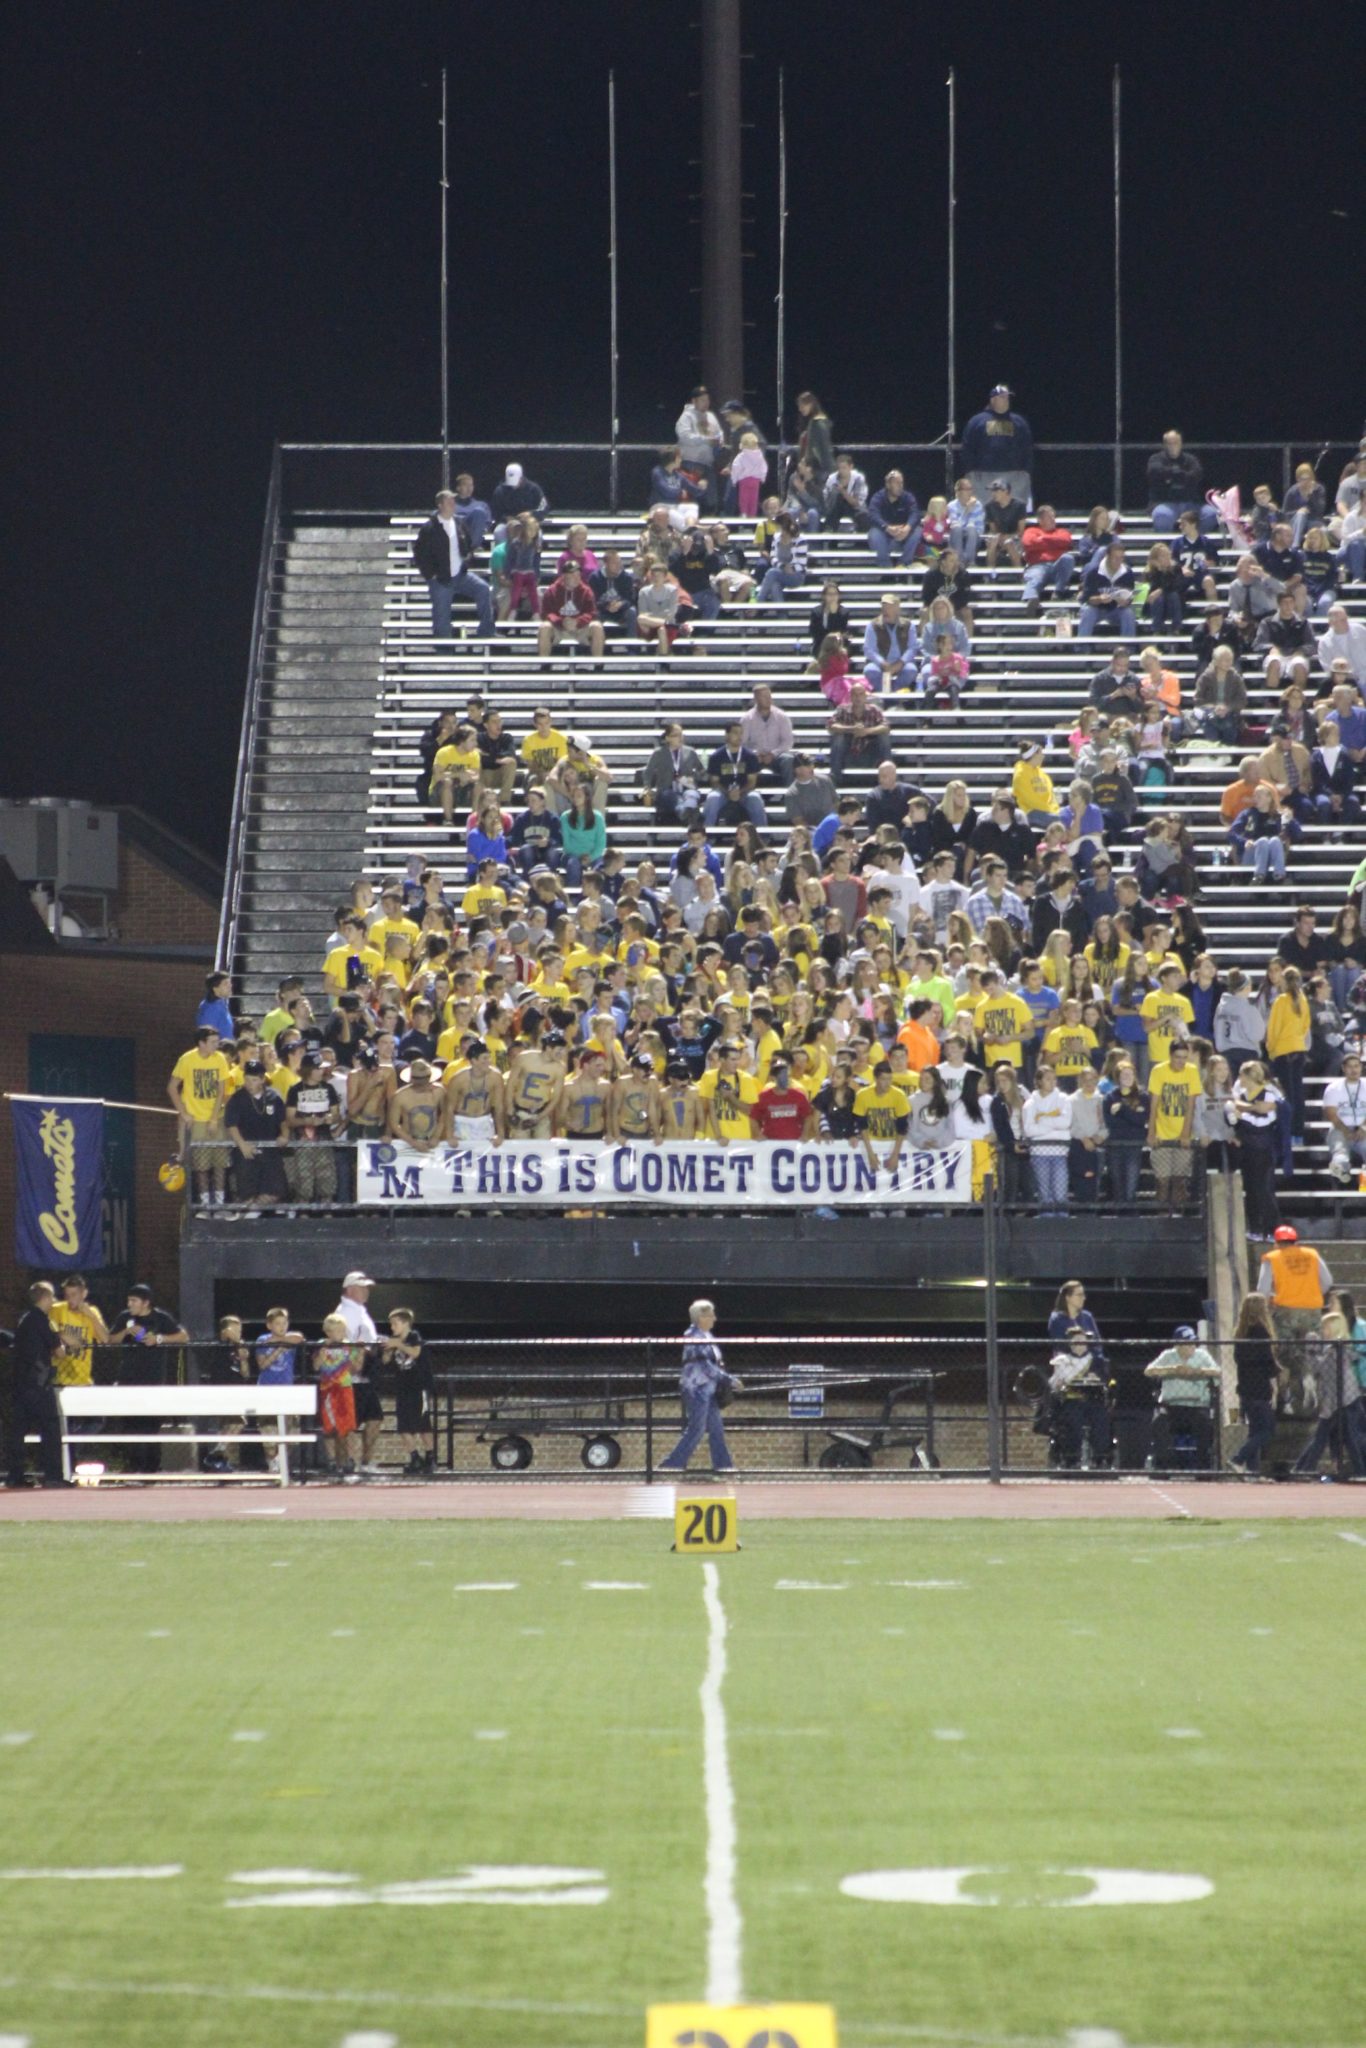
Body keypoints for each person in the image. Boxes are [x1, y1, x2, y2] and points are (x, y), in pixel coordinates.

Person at [107, 1284, 190, 1476]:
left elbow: (183, 1336)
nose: (130, 1304)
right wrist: (126, 1333)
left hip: (153, 1378)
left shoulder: (160, 1318)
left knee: (151, 1423)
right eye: (129, 1300)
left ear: (146, 1303)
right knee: (130, 1424)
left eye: (134, 1301)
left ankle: (152, 1467)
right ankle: (133, 1465)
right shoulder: (124, 1317)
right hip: (128, 1378)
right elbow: (110, 1340)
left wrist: (158, 1339)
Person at [656, 1298, 741, 1479]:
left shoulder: (707, 1337)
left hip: (708, 1389)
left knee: (716, 1428)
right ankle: (671, 1465)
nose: (714, 1318)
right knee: (697, 1428)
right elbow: (706, 1367)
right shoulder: (694, 1336)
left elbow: (713, 1365)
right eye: (711, 1315)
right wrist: (730, 1380)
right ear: (701, 1317)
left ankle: (723, 1466)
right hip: (697, 1389)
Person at [1257, 1226, 1333, 1391]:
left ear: (1276, 1243)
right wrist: (1311, 1293)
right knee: (1312, 1351)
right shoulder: (1312, 1255)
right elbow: (1327, 1281)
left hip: (1285, 1311)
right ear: (1296, 1241)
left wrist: (1271, 1298)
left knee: (1285, 1352)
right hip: (1312, 1311)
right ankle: (1312, 1382)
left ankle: (1289, 1394)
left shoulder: (1272, 1258)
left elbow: (1262, 1290)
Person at [4, 1282, 66, 1487]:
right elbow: (59, 1352)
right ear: (45, 1298)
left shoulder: (24, 1320)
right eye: (52, 1297)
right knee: (50, 1429)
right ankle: (53, 1477)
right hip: (39, 1385)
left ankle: (15, 1476)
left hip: (20, 1384)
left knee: (17, 1432)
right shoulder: (42, 1320)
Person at [412, 490, 495, 639]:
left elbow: (466, 541)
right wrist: (431, 575)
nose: (453, 504)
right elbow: (419, 554)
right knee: (441, 618)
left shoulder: (458, 522)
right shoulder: (429, 528)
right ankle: (444, 650)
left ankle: (486, 632)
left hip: (460, 575)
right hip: (441, 579)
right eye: (449, 501)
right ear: (440, 505)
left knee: (483, 589)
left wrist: (467, 554)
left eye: (453, 501)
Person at [1294, 1311, 1366, 1477]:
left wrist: (1311, 1352)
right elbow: (1319, 1370)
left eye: (1325, 1327)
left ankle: (1303, 1470)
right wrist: (1311, 1351)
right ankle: (1302, 1470)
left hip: (1345, 1401)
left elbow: (1322, 1369)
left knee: (1340, 1439)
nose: (1322, 1330)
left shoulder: (1336, 1349)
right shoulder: (1331, 1349)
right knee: (1342, 1439)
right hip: (1337, 1401)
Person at [168, 1025, 232, 1206]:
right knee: (201, 1165)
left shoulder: (219, 1059)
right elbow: (172, 1087)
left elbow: (221, 1090)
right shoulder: (187, 1060)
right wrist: (184, 1113)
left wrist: (213, 1118)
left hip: (215, 1118)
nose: (216, 1045)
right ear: (201, 1043)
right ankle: (205, 1202)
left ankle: (219, 1203)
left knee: (220, 1163)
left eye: (217, 1041)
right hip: (195, 1119)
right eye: (212, 1042)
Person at [1145, 1326, 1221, 1470]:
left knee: (1204, 1425)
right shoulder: (1168, 1355)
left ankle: (1202, 1469)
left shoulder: (1202, 1355)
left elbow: (1217, 1372)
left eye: (1193, 1343)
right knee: (1159, 1424)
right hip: (1171, 1407)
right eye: (1187, 1343)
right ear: (1178, 1345)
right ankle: (1163, 1467)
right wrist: (1173, 1370)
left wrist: (1197, 1372)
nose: (1192, 1346)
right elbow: (1149, 1370)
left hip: (1197, 1407)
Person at [332, 1271, 383, 1476]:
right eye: (362, 1288)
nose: (366, 1291)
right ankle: (344, 1464)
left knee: (374, 1418)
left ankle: (365, 1462)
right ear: (350, 1289)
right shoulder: (345, 1312)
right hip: (350, 1377)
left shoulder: (359, 1310)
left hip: (365, 1375)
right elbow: (343, 1341)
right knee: (346, 1424)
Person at [224, 1059, 290, 1212]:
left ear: (262, 1079)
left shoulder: (273, 1097)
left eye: (254, 1080)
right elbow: (231, 1124)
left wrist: (284, 1136)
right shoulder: (237, 1099)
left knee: (276, 1190)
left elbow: (283, 1121)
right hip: (247, 1152)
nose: (249, 1083)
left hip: (270, 1152)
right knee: (246, 1192)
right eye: (247, 1079)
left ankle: (251, 1212)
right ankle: (246, 1213)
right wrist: (242, 1145)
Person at [1047, 1323, 1112, 1470]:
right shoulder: (1062, 1361)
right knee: (1072, 1422)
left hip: (1093, 1399)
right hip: (1072, 1399)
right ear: (1070, 1344)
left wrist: (1098, 1379)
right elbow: (1054, 1382)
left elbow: (1106, 1380)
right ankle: (1071, 1458)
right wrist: (1060, 1381)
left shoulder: (1097, 1361)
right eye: (1077, 1341)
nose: (1080, 1345)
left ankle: (1100, 1458)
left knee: (1101, 1421)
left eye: (1083, 1341)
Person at [1230, 1294, 1281, 1478]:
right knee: (1267, 1430)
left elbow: (1239, 1360)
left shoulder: (1240, 1333)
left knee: (1254, 1430)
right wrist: (1276, 1383)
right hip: (1260, 1388)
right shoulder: (1262, 1332)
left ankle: (1252, 1472)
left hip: (1245, 1388)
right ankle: (1238, 1458)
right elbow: (1267, 1363)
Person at [383, 1306, 434, 1479]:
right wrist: (388, 1350)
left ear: (405, 1323)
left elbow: (415, 1352)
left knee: (422, 1423)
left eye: (395, 1323)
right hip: (402, 1388)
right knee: (403, 1425)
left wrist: (399, 1344)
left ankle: (430, 1456)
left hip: (418, 1387)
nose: (392, 1327)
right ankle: (414, 1457)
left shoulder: (414, 1337)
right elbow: (385, 1361)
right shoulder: (394, 1340)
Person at [962, 384, 1033, 506]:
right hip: (982, 475)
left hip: (1014, 475)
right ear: (992, 399)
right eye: (1002, 397)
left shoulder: (1019, 422)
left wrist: (1026, 471)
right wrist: (970, 471)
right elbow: (968, 448)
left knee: (1013, 511)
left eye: (1007, 398)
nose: (1006, 401)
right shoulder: (977, 421)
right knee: (982, 512)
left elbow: (1027, 448)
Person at [314, 1314, 362, 1481]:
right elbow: (315, 1366)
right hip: (328, 1389)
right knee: (330, 1427)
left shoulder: (348, 1346)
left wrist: (354, 1354)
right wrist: (322, 1352)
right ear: (328, 1332)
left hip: (344, 1388)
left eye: (343, 1330)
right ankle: (332, 1462)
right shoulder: (322, 1345)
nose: (341, 1334)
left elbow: (355, 1368)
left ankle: (350, 1461)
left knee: (348, 1427)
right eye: (336, 1331)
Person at [1146, 430, 1217, 533]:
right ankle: (1169, 546)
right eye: (1169, 443)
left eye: (1176, 443)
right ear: (1165, 445)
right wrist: (1183, 476)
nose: (1173, 446)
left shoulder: (1191, 459)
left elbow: (1197, 475)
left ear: (1181, 444)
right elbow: (1154, 472)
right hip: (1165, 503)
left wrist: (1170, 477)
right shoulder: (1155, 459)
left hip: (1190, 503)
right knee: (1161, 515)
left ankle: (1194, 541)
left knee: (1210, 514)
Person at [537, 562, 604, 664]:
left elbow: (592, 613)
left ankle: (598, 666)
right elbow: (546, 613)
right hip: (558, 629)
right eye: (572, 575)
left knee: (597, 626)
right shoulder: (551, 591)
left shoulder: (586, 591)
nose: (576, 578)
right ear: (564, 575)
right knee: (544, 627)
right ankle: (544, 666)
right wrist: (560, 622)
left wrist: (578, 622)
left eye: (578, 575)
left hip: (580, 628)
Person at [1020, 507, 1076, 614]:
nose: (1053, 519)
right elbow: (1028, 543)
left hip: (1057, 566)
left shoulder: (1062, 531)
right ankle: (1031, 600)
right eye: (1049, 517)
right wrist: (1054, 543)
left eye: (1053, 517)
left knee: (1068, 558)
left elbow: (1066, 541)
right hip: (1038, 565)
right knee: (1035, 576)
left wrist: (1042, 539)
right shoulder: (1031, 531)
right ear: (1040, 520)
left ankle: (1058, 592)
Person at [740, 685, 796, 788]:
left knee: (789, 760)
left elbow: (787, 741)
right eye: (764, 696)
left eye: (769, 696)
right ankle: (746, 793)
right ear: (756, 699)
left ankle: (788, 794)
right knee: (744, 761)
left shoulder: (782, 716)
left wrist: (773, 754)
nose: (768, 699)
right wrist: (754, 754)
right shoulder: (747, 718)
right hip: (755, 757)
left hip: (777, 756)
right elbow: (741, 743)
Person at [1323, 1051, 1366, 1184]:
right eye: (1350, 1066)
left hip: (1363, 1128)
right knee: (1340, 1152)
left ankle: (1363, 1185)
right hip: (1340, 1127)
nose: (1354, 1070)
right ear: (1343, 1068)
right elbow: (1331, 1114)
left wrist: (1363, 1127)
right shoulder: (1333, 1088)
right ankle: (1340, 1169)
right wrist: (1345, 1130)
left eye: (1356, 1066)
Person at [1079, 542, 1137, 638]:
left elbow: (1131, 597)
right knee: (1088, 612)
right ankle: (1081, 648)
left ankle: (1128, 648)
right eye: (1115, 558)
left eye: (1121, 558)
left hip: (1117, 610)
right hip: (1097, 609)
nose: (1118, 561)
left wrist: (1125, 601)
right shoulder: (1094, 572)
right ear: (1107, 556)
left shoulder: (1127, 572)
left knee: (1129, 613)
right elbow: (1087, 599)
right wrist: (1099, 599)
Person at [866, 470, 921, 566]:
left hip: (903, 536)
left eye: (901, 483)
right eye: (896, 483)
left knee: (918, 531)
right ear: (888, 485)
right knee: (874, 533)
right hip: (885, 535)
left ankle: (903, 565)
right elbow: (873, 515)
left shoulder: (908, 497)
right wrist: (887, 528)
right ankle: (886, 569)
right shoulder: (878, 497)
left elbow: (915, 513)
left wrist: (907, 528)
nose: (900, 486)